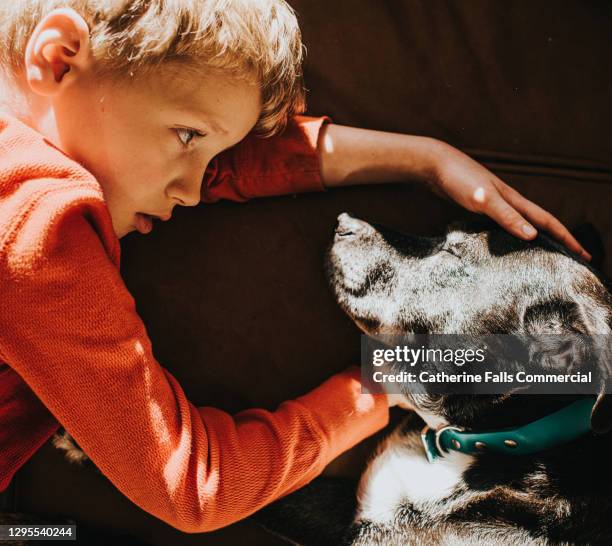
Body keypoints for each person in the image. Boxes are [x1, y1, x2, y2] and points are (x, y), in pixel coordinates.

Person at [0, 0, 589, 534]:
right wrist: (379, 386)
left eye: (211, 156)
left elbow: (219, 164)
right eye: (188, 136)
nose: (190, 191)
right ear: (57, 59)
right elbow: (196, 487)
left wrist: (426, 161)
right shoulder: (39, 220)